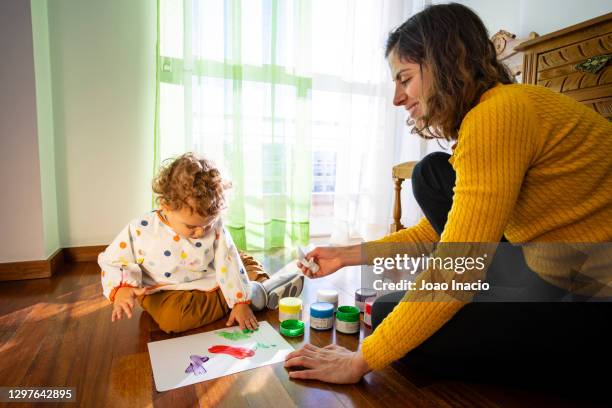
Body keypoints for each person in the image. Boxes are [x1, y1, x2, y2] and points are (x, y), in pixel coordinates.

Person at [286, 3, 612, 385]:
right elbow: (438, 234)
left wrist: (359, 362)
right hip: (548, 269)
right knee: (432, 175)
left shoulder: (497, 116)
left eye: (404, 78)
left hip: (591, 296)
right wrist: (345, 255)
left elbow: (461, 266)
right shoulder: (499, 109)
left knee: (394, 319)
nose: (397, 98)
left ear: (441, 64)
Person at [98, 153, 304, 333]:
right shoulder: (140, 229)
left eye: (207, 225)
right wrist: (122, 289)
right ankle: (257, 292)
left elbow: (228, 261)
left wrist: (239, 302)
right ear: (166, 206)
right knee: (173, 319)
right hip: (165, 289)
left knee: (236, 259)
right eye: (191, 227)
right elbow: (113, 259)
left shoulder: (212, 227)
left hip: (213, 270)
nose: (201, 232)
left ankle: (251, 288)